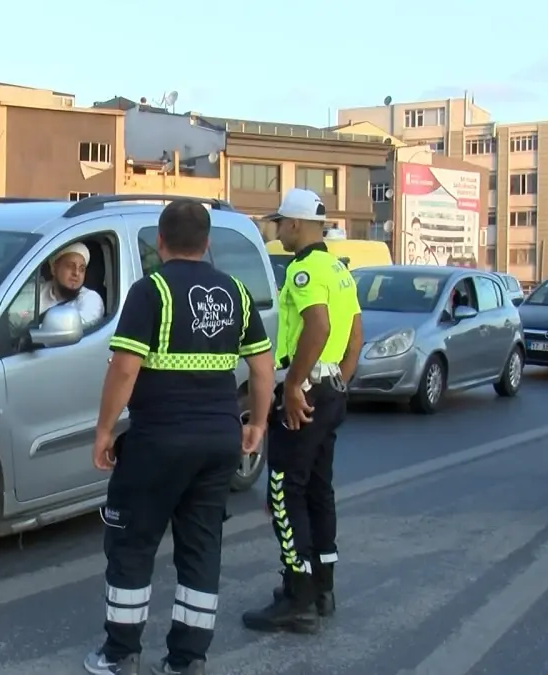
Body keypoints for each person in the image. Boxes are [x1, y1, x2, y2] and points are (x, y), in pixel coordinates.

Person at [83, 200, 276, 675]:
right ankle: (187, 660)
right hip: (218, 441)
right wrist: (257, 423)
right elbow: (262, 365)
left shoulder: (151, 292)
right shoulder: (235, 290)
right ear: (208, 243)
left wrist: (104, 430)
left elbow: (125, 367)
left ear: (160, 242)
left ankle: (120, 653)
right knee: (201, 548)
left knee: (131, 543)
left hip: (159, 441)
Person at [241, 188, 363, 634]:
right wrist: (339, 381)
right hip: (330, 389)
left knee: (283, 491)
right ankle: (321, 587)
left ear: (294, 224)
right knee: (317, 489)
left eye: (279, 224)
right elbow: (354, 335)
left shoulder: (304, 272)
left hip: (307, 388)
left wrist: (294, 385)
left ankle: (298, 597)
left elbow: (319, 325)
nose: (276, 231)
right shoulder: (339, 270)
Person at [41, 242, 105, 329]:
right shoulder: (37, 291)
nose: (76, 273)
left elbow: (74, 327)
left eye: (82, 269)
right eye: (70, 266)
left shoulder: (91, 299)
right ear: (54, 269)